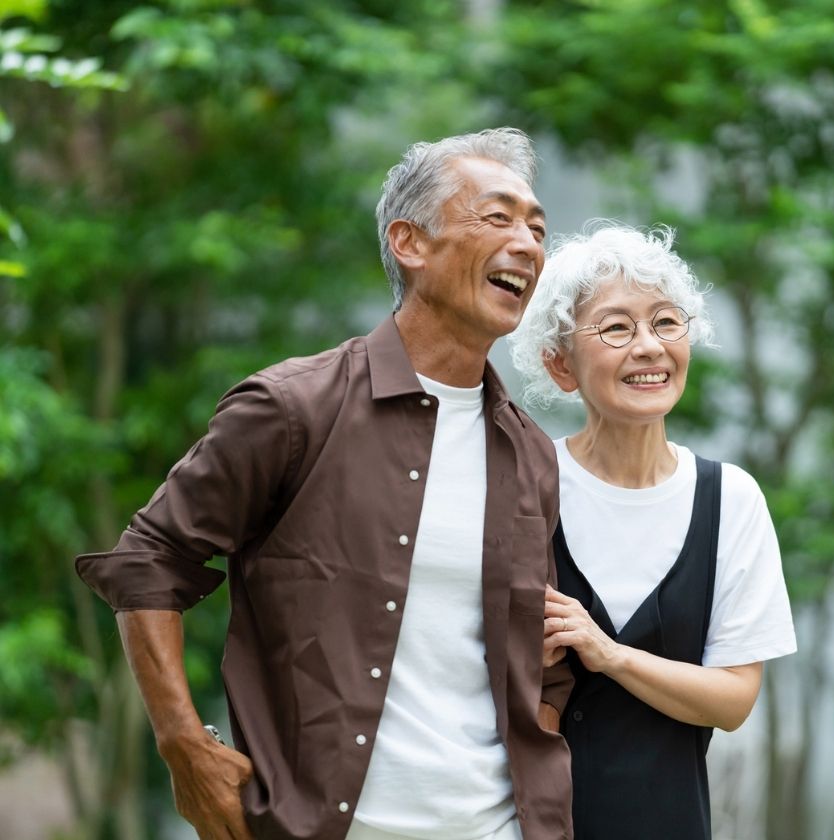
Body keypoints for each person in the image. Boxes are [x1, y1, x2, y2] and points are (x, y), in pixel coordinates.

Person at [75, 128, 574, 840]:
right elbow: (148, 560)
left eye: (536, 227)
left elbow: (542, 655)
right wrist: (184, 745)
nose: (527, 244)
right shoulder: (292, 408)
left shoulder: (528, 453)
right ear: (411, 243)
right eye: (497, 218)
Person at [509, 223, 796, 840]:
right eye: (616, 328)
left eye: (666, 323)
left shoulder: (730, 499)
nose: (648, 347)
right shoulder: (525, 484)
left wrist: (608, 655)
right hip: (526, 825)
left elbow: (733, 700)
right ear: (560, 364)